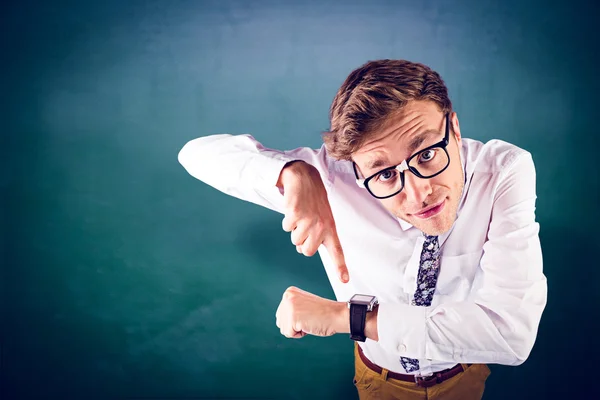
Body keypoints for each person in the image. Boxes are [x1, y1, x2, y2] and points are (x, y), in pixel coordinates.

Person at [177, 59, 547, 400]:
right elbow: (195, 153)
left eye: (427, 153)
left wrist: (349, 318)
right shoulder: (335, 181)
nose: (420, 194)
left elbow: (511, 334)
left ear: (453, 127)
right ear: (357, 171)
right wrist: (293, 172)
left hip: (462, 373)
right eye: (385, 174)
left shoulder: (503, 172)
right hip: (377, 378)